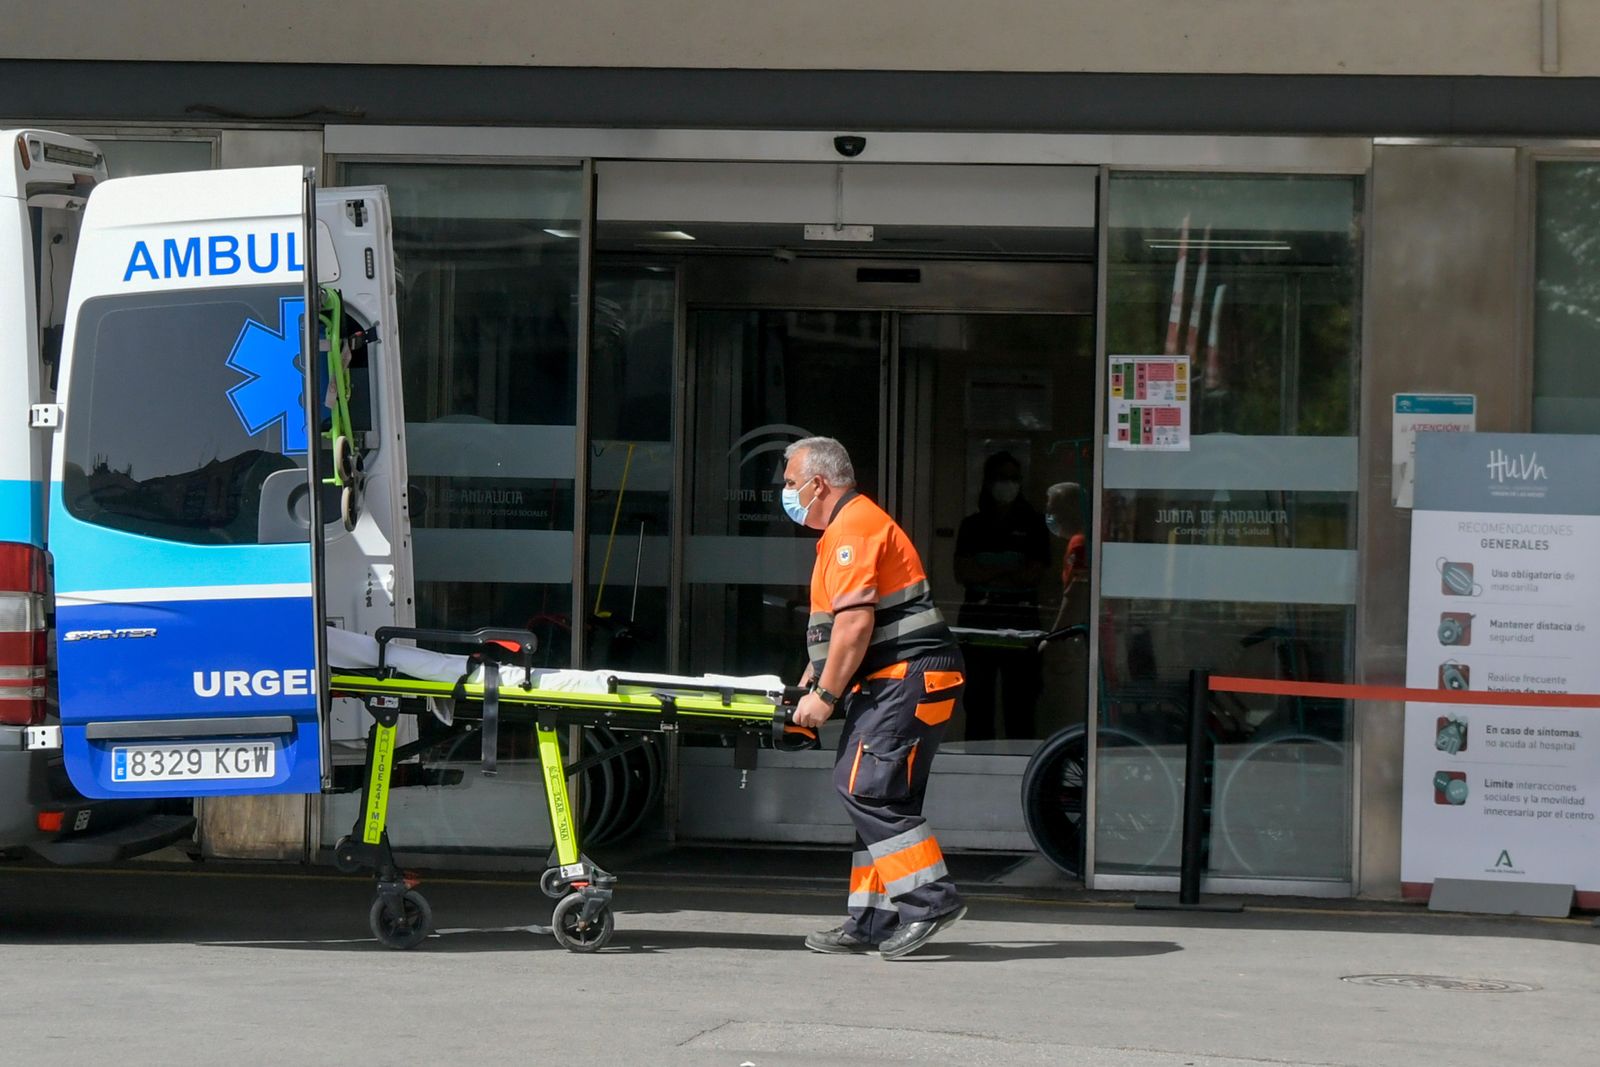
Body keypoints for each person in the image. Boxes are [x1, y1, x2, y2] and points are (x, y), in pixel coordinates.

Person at [783, 436, 967, 960]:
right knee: (879, 793)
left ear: (819, 484)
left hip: (906, 677)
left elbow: (857, 624)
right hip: (902, 678)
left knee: (868, 790)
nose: (789, 495)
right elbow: (835, 633)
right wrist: (806, 691)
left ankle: (931, 902)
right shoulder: (844, 531)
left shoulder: (853, 529)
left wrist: (823, 695)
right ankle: (871, 919)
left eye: (792, 485)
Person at [952, 452, 1050, 741]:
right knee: (978, 701)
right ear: (987, 482)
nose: (1006, 484)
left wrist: (988, 569)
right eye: (1000, 478)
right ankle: (977, 766)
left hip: (1020, 620)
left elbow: (1032, 574)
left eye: (1012, 478)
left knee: (1020, 703)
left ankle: (1022, 771)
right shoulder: (973, 525)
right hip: (978, 620)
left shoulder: (1034, 524)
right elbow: (963, 573)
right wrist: (1009, 566)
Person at [1044, 481, 1089, 633]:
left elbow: (1075, 593)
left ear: (1069, 511)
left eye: (1052, 510)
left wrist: (1056, 636)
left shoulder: (1079, 543)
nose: (1049, 516)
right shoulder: (1084, 539)